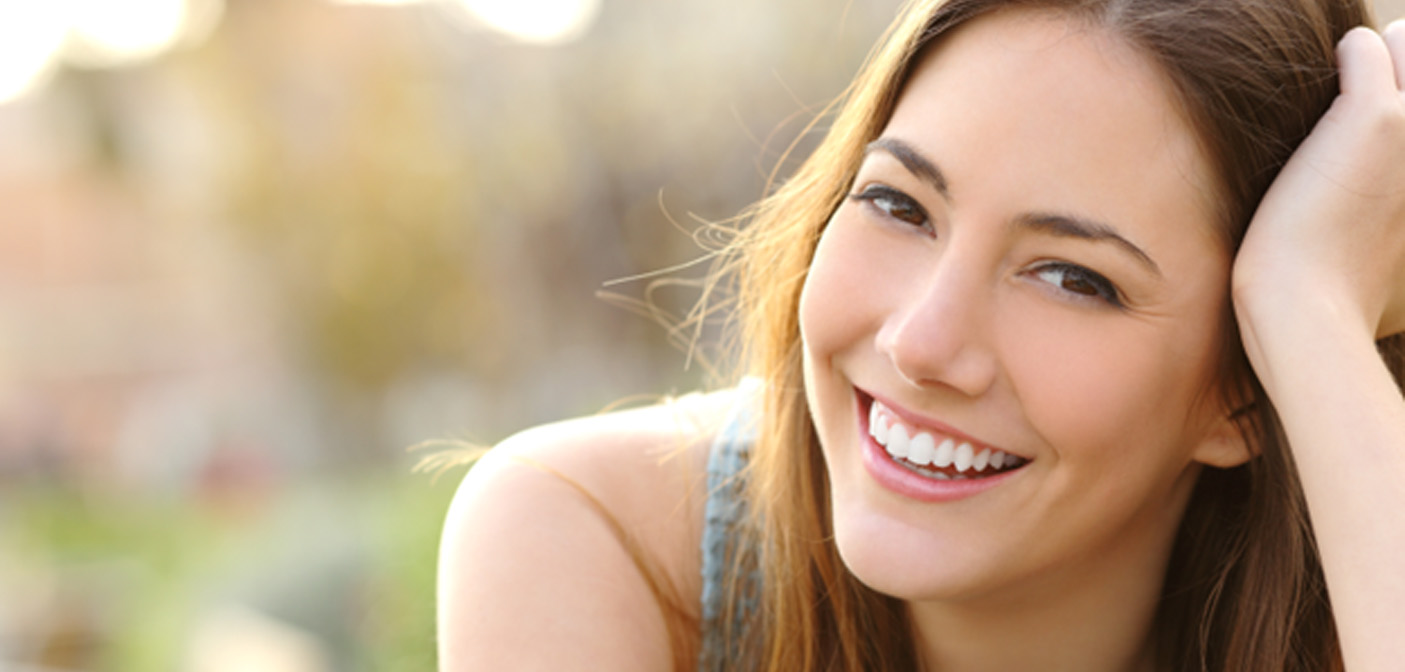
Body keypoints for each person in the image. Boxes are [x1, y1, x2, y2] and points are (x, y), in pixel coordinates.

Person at [436, 0, 1405, 669]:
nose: (920, 341)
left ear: (1244, 391)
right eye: (899, 206)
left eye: (1072, 278)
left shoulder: (1355, 603)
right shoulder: (603, 544)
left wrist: (1313, 315)